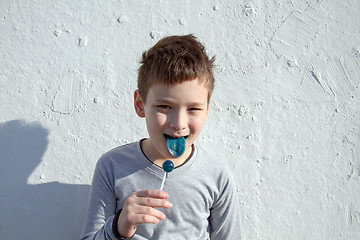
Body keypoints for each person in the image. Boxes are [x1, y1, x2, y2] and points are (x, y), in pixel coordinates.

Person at [80, 34, 241, 240]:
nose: (179, 123)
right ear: (140, 105)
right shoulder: (111, 166)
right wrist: (118, 227)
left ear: (207, 110)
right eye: (165, 106)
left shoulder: (217, 176)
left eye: (193, 108)